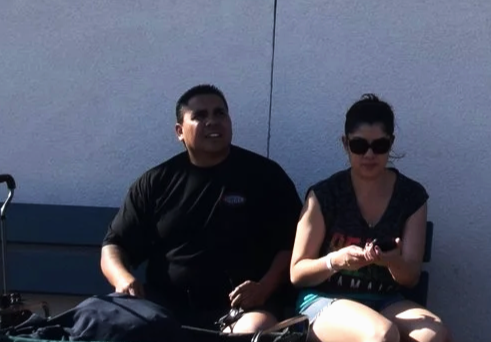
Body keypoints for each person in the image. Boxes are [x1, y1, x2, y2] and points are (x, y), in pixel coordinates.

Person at [101, 84, 301, 333]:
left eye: (220, 113)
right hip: (165, 310)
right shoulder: (156, 182)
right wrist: (123, 279)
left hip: (243, 311)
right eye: (200, 116)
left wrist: (265, 287)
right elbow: (114, 246)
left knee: (255, 330)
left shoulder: (266, 176)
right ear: (179, 131)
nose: (212, 121)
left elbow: (292, 245)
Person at [290, 95, 449, 342]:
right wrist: (336, 261)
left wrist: (392, 261)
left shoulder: (411, 196)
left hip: (386, 299)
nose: (369, 154)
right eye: (359, 146)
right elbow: (297, 272)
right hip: (326, 299)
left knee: (434, 336)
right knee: (380, 334)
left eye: (380, 146)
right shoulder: (325, 194)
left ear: (391, 143)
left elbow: (410, 277)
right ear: (345, 144)